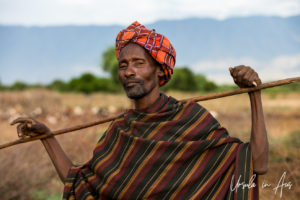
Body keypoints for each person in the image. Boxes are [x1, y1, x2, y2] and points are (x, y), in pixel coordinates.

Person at [11, 21, 268, 200]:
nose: (129, 71)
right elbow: (78, 182)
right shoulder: (119, 132)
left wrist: (254, 94)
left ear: (159, 71)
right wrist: (47, 137)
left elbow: (257, 162)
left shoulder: (190, 119)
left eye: (138, 63)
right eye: (123, 65)